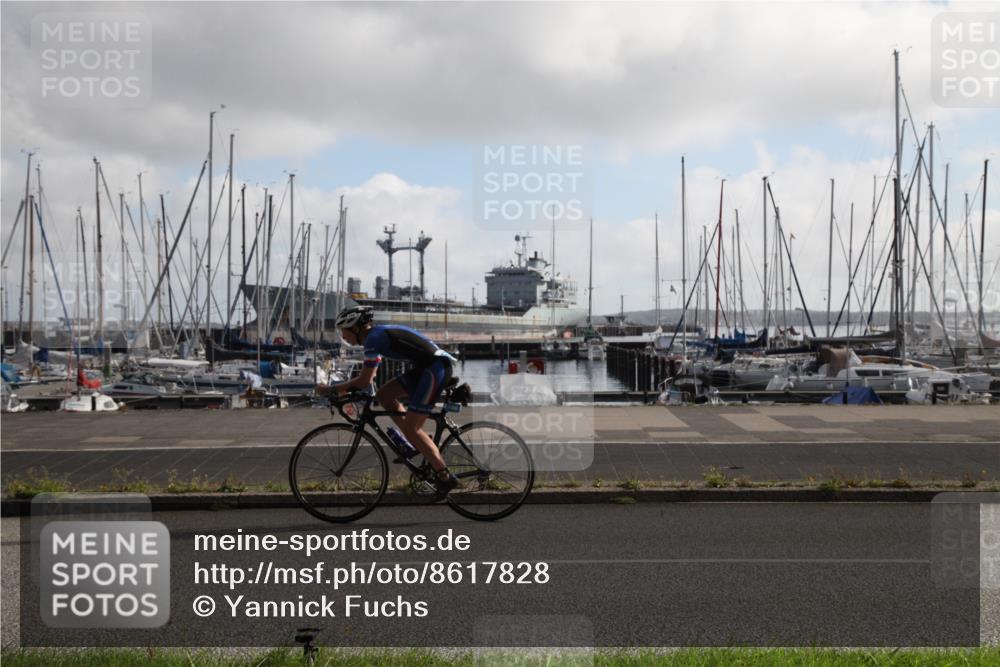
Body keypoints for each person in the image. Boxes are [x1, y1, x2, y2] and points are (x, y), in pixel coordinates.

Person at [317, 305, 459, 498]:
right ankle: (411, 444)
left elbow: (364, 381)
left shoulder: (374, 339)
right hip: (425, 368)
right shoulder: (375, 336)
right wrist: (348, 390)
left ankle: (445, 476)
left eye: (344, 332)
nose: (344, 337)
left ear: (356, 328)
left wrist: (330, 389)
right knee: (385, 396)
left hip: (434, 369)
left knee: (412, 428)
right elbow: (370, 379)